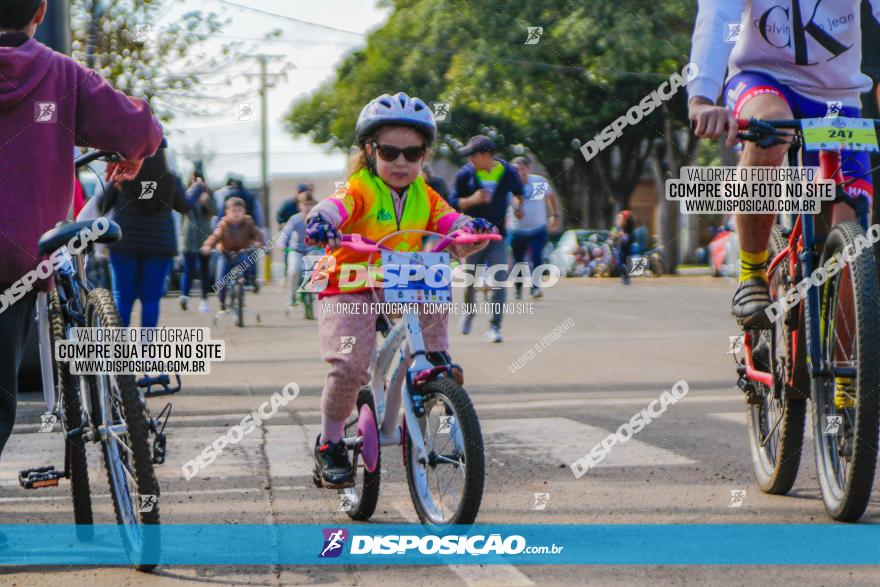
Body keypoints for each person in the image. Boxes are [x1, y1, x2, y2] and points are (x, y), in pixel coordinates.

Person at [688, 0, 880, 408]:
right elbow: (718, 16)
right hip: (761, 80)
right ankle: (753, 275)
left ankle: (846, 389)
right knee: (770, 129)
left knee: (851, 233)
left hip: (838, 99)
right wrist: (702, 98)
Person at [304, 92, 493, 488]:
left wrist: (468, 229)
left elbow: (450, 219)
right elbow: (333, 207)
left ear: (425, 155)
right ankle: (330, 444)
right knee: (350, 366)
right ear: (370, 152)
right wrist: (320, 221)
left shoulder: (426, 194)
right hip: (348, 281)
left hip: (397, 276)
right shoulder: (360, 188)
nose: (402, 162)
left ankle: (433, 361)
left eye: (414, 153)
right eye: (390, 152)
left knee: (432, 276)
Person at [0, 0, 163, 459]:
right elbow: (136, 127)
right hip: (18, 260)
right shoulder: (63, 75)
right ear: (41, 12)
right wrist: (135, 148)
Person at [99, 151, 194, 328]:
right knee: (151, 299)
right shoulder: (170, 180)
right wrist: (196, 191)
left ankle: (120, 350)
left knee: (123, 297)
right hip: (159, 245)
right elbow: (184, 206)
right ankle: (145, 354)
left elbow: (101, 205)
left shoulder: (123, 175)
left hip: (124, 243)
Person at [451, 134, 525, 343]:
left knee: (500, 281)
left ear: (486, 155)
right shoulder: (465, 175)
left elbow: (519, 193)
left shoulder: (508, 172)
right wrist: (472, 200)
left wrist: (519, 207)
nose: (470, 160)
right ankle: (469, 312)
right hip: (471, 238)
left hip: (498, 235)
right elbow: (453, 203)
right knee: (470, 281)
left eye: (473, 155)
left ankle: (495, 326)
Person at [200, 197, 265, 311]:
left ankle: (252, 280)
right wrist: (208, 246)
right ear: (227, 212)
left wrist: (258, 242)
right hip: (226, 254)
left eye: (239, 211)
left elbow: (257, 233)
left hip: (242, 252)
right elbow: (215, 236)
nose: (236, 214)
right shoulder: (223, 224)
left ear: (244, 212)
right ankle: (222, 302)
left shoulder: (248, 222)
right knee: (221, 280)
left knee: (249, 260)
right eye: (233, 211)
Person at [508, 156, 559, 299]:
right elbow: (511, 205)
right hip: (517, 230)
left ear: (527, 169)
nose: (520, 173)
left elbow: (551, 197)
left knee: (537, 257)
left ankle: (535, 288)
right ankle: (518, 288)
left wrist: (555, 215)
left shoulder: (537, 182)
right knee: (519, 261)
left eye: (522, 169)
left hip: (538, 228)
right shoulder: (510, 186)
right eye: (516, 170)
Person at [179, 175, 216, 313]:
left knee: (204, 270)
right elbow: (181, 210)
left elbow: (215, 211)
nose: (197, 183)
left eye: (200, 180)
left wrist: (207, 201)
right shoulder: (186, 195)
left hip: (204, 237)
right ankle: (184, 296)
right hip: (189, 237)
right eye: (194, 180)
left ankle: (204, 300)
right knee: (189, 269)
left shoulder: (208, 195)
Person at [281, 192, 316, 306]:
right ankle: (292, 295)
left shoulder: (316, 218)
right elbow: (285, 233)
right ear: (299, 206)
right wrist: (283, 243)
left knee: (316, 269)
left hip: (311, 249)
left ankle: (315, 291)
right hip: (296, 250)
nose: (307, 207)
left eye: (310, 204)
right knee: (294, 271)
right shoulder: (295, 219)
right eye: (305, 204)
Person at [614, 210, 637, 285]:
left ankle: (627, 277)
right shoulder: (621, 230)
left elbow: (628, 239)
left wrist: (623, 236)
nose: (618, 221)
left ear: (626, 221)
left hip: (627, 252)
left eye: (621, 219)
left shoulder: (630, 232)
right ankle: (625, 277)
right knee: (620, 263)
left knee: (623, 264)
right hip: (621, 252)